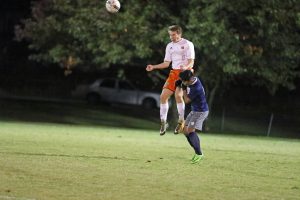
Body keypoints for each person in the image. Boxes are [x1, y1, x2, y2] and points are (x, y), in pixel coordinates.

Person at [146, 25, 195, 135]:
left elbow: (191, 62)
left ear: (179, 33)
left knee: (178, 95)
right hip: (174, 73)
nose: (171, 37)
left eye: (173, 35)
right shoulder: (169, 46)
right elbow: (166, 63)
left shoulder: (188, 44)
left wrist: (186, 67)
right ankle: (163, 123)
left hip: (185, 73)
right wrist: (153, 67)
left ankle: (181, 121)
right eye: (170, 35)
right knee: (163, 97)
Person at [176, 70, 209, 164]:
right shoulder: (193, 80)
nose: (182, 81)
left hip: (201, 112)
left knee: (190, 130)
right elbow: (187, 79)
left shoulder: (196, 88)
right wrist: (183, 83)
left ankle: (199, 153)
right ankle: (196, 151)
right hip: (195, 110)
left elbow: (186, 100)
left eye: (183, 80)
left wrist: (184, 89)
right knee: (185, 131)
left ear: (188, 80)